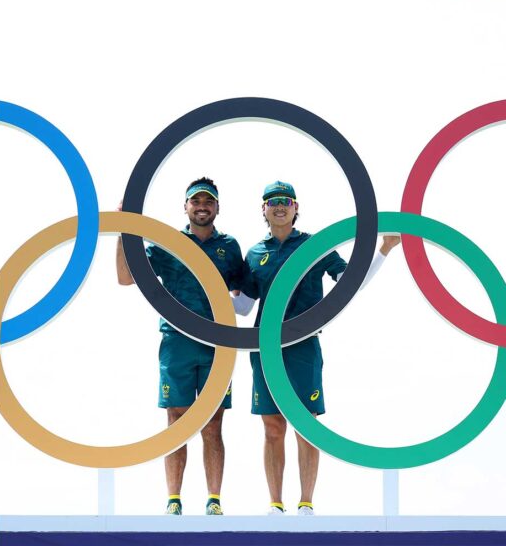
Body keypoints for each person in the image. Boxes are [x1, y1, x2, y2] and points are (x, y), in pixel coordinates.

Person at [234, 180, 400, 516]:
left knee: (306, 424)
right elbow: (243, 307)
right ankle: (275, 506)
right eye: (272, 201)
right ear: (263, 209)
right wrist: (200, 288)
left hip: (304, 345)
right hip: (265, 349)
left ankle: (306, 503)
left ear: (296, 208)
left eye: (286, 201)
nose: (279, 206)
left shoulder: (314, 245)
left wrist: (384, 249)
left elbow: (350, 283)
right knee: (272, 426)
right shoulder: (254, 253)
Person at [117, 177, 246, 516]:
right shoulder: (168, 242)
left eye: (208, 201)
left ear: (217, 207)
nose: (202, 206)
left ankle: (214, 501)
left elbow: (245, 293)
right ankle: (173, 500)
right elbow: (125, 277)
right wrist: (121, 230)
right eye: (195, 201)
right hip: (177, 341)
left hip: (217, 343)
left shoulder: (229, 246)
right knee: (176, 419)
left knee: (214, 421)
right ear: (186, 206)